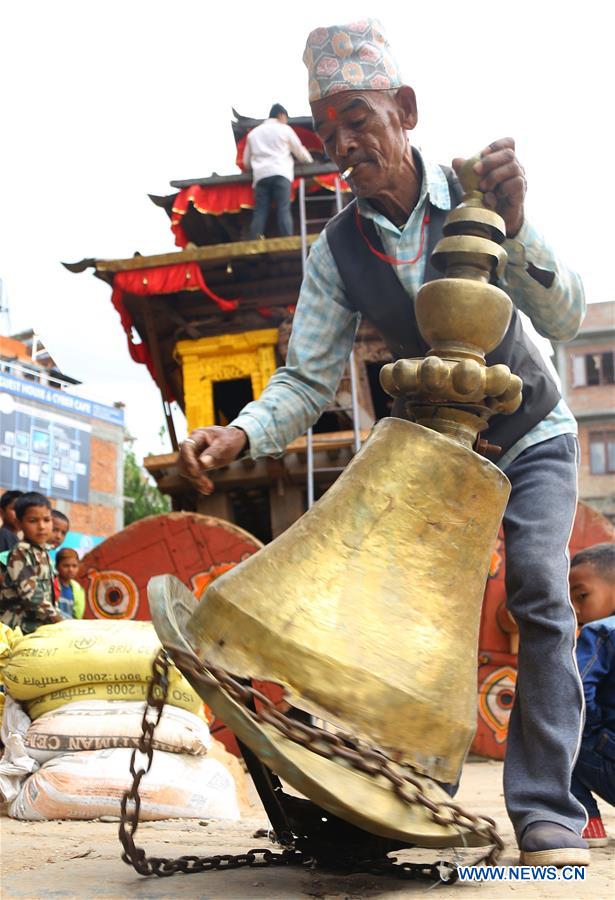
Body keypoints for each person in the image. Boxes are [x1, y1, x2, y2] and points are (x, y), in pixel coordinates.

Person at [180, 20, 588, 865]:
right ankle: (399, 793)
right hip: (431, 461)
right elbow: (303, 377)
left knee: (540, 595)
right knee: (395, 615)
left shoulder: (480, 193)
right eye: (326, 132)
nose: (342, 144)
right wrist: (239, 434)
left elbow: (563, 318)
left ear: (404, 110)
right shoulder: (337, 249)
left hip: (528, 430)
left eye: (357, 118)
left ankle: (546, 810)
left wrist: (516, 226)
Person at [569, 543, 615, 847]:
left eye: (581, 596)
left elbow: (577, 691)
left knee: (552, 740)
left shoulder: (600, 632)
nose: (575, 609)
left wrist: (593, 726)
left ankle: (587, 822)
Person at [244, 103, 314, 240]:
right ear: (281, 115)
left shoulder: (253, 134)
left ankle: (254, 239)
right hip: (281, 173)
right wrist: (310, 162)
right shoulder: (285, 129)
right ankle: (287, 238)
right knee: (283, 207)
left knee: (260, 211)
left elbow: (246, 162)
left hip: (260, 176)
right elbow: (299, 151)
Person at [0, 491, 62, 634]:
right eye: (33, 521)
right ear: (19, 523)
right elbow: (31, 595)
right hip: (18, 627)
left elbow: (48, 595)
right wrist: (57, 618)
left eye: (46, 520)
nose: (41, 526)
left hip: (38, 624)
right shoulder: (21, 552)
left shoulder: (43, 552)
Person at [55, 547, 85, 620]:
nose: (70, 569)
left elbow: (78, 616)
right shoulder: (51, 584)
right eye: (66, 566)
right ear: (57, 567)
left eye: (74, 566)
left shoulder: (78, 589)